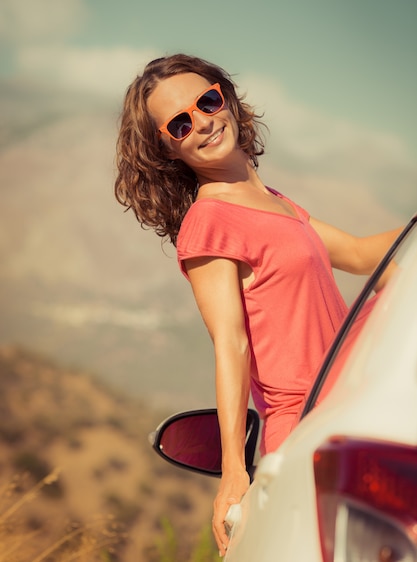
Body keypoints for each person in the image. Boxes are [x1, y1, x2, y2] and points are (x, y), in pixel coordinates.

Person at [114, 53, 402, 557]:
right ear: (166, 149)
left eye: (207, 101)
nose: (202, 122)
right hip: (305, 429)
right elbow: (231, 346)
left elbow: (358, 254)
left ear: (225, 97)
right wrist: (233, 471)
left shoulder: (275, 201)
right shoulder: (208, 222)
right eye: (180, 124)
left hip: (350, 400)